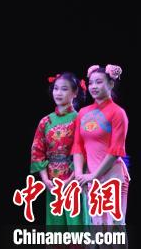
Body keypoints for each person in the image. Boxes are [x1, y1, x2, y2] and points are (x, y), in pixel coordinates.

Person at [73, 64, 129, 225]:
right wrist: (79, 176)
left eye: (99, 82)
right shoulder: (83, 113)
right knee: (97, 225)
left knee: (114, 228)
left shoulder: (118, 112)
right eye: (91, 83)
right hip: (90, 177)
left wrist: (93, 176)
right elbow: (78, 146)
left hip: (113, 176)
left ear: (111, 84)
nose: (93, 86)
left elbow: (116, 150)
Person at [30, 72, 89, 226]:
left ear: (75, 93)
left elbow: (84, 152)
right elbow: (37, 151)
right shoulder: (45, 121)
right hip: (53, 182)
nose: (58, 93)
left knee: (76, 225)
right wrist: (45, 180)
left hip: (74, 180)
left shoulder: (80, 119)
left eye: (64, 89)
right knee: (56, 227)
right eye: (56, 89)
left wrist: (70, 180)